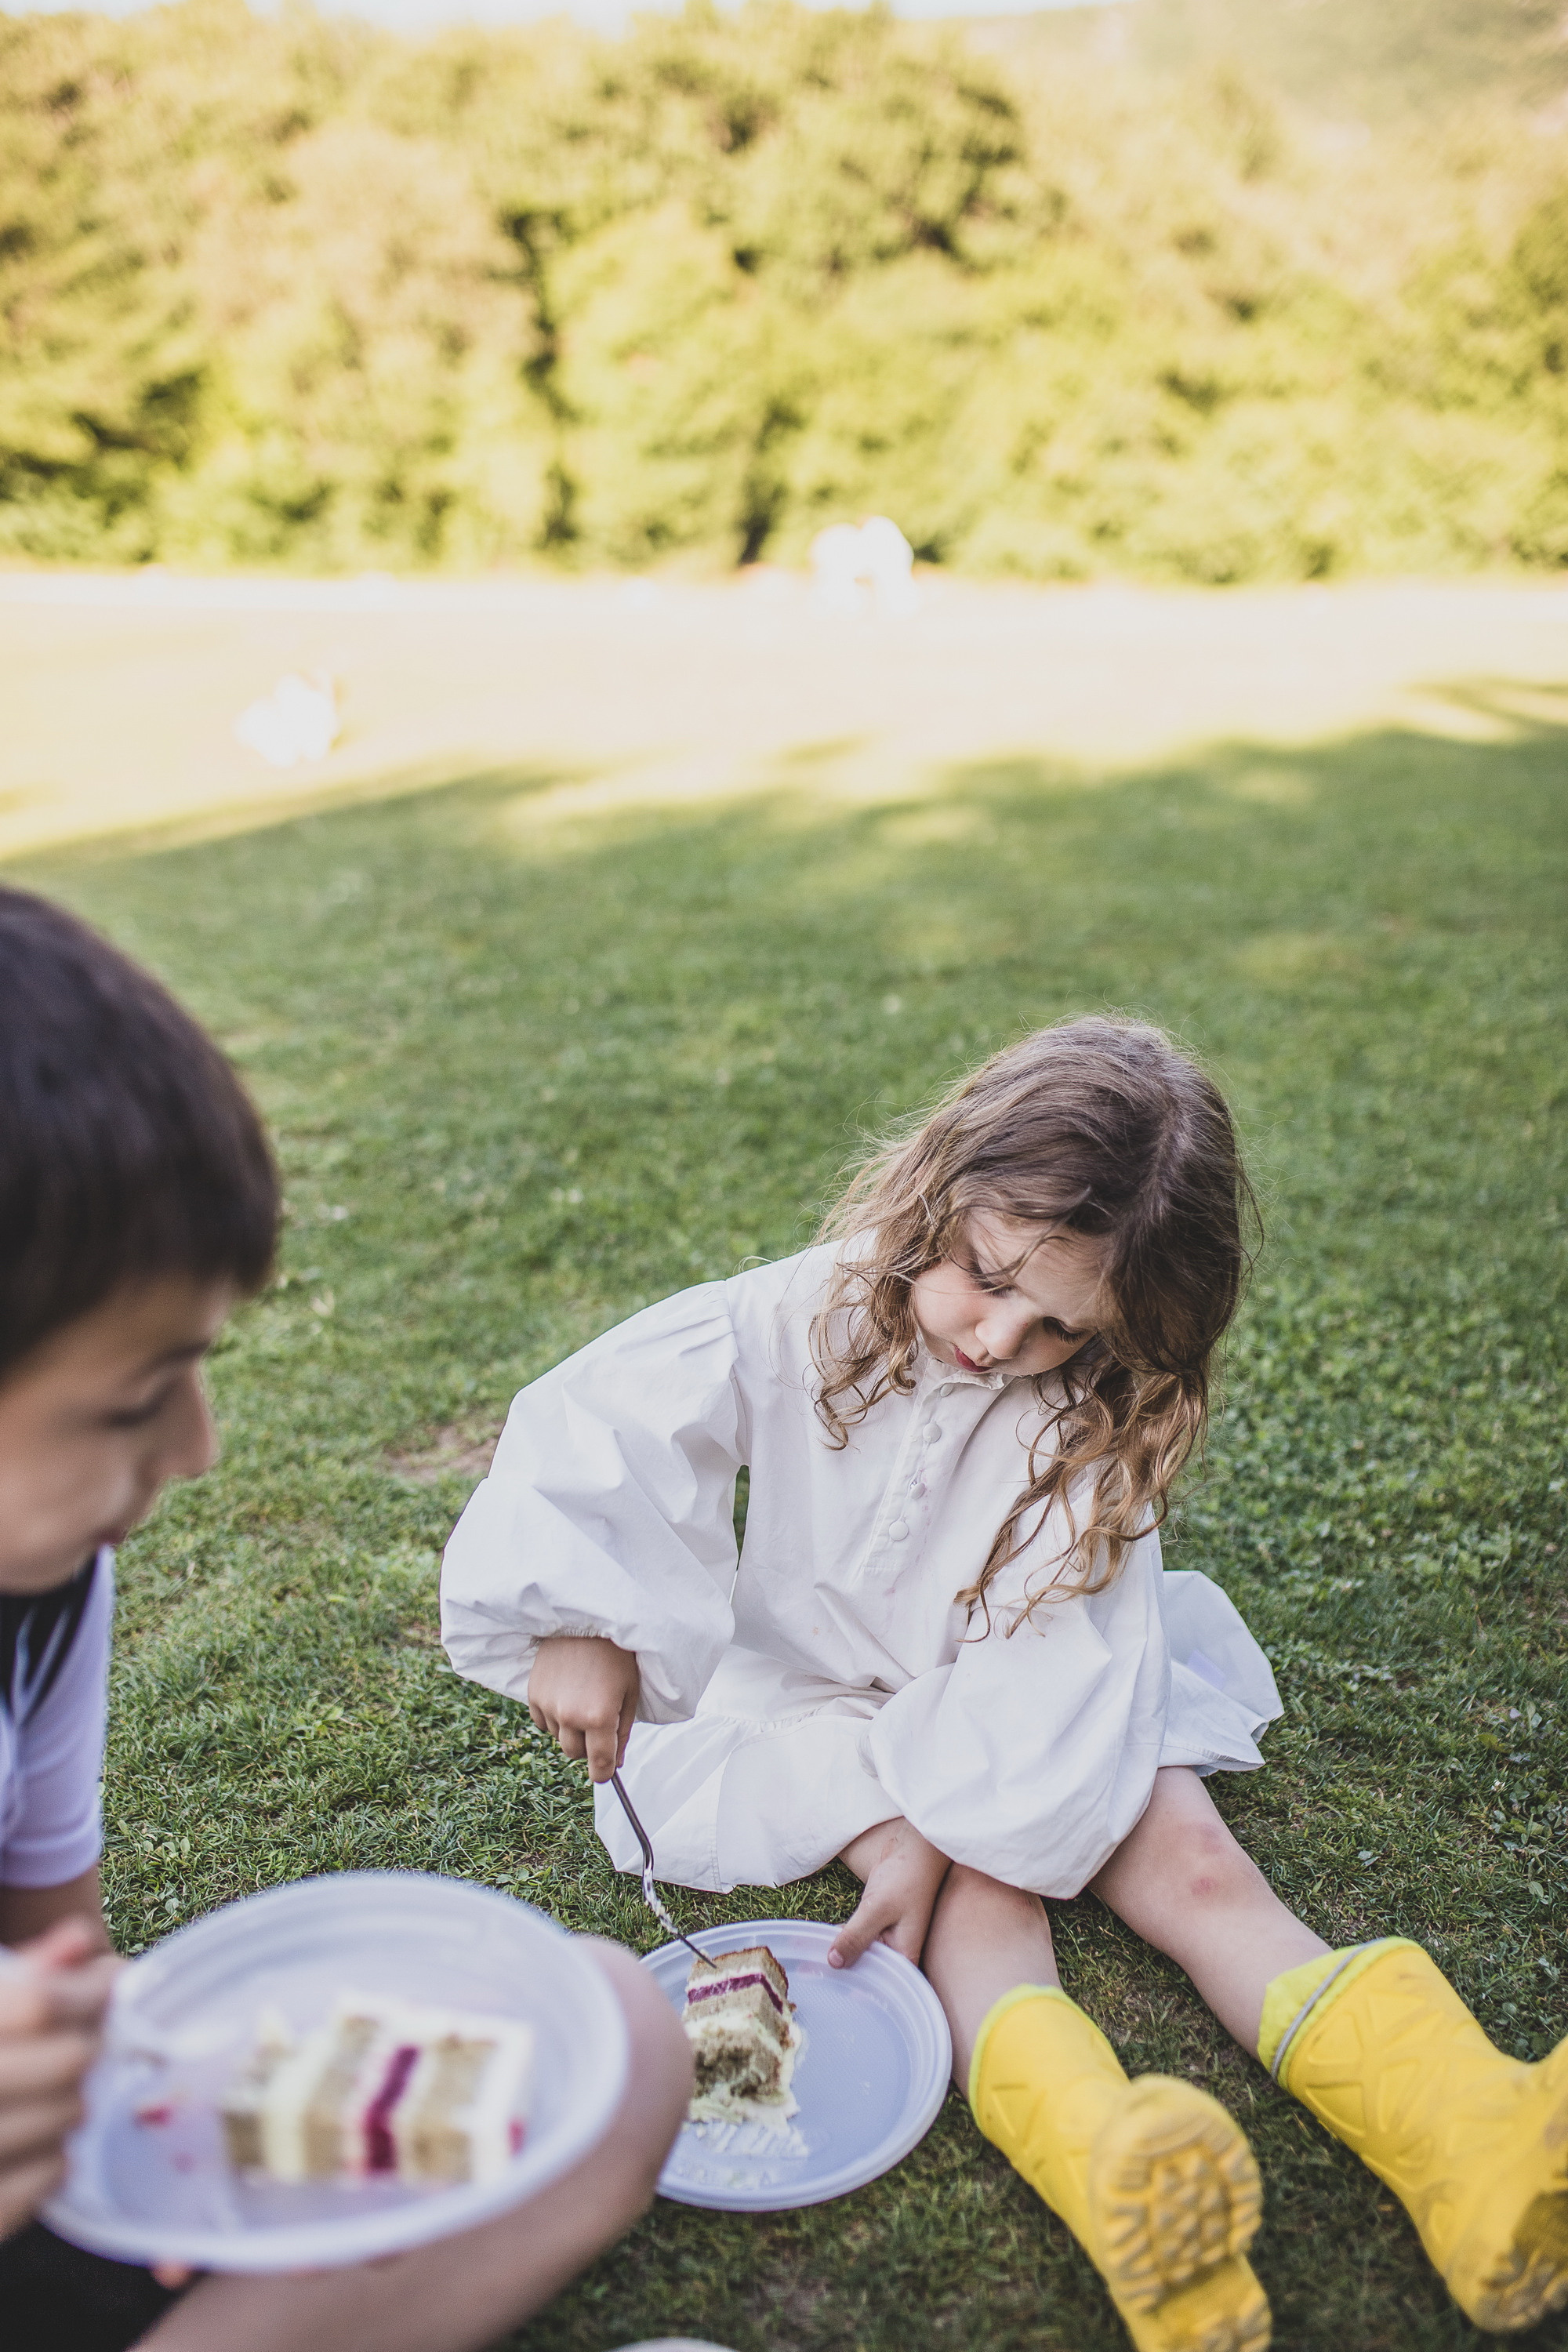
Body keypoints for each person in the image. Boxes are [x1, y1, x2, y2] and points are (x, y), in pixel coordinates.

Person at [443, 1017, 1568, 2352]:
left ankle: (1465, 2131)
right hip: (824, 1692)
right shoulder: (804, 1312)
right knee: (985, 1906)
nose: (1000, 1338)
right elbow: (616, 1415)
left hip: (1047, 1689)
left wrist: (954, 1814)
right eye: (985, 1280)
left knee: (1196, 1868)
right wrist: (587, 1619)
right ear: (938, 1194)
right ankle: (1105, 2164)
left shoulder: (1088, 1422)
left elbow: (1044, 1677)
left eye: (1059, 1325)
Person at [0, 886, 692, 2352]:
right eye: (131, 1402)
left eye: (194, 1369)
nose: (198, 1450)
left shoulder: (42, 1585)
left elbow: (62, 1966)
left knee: (620, 2038)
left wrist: (176, 2121)